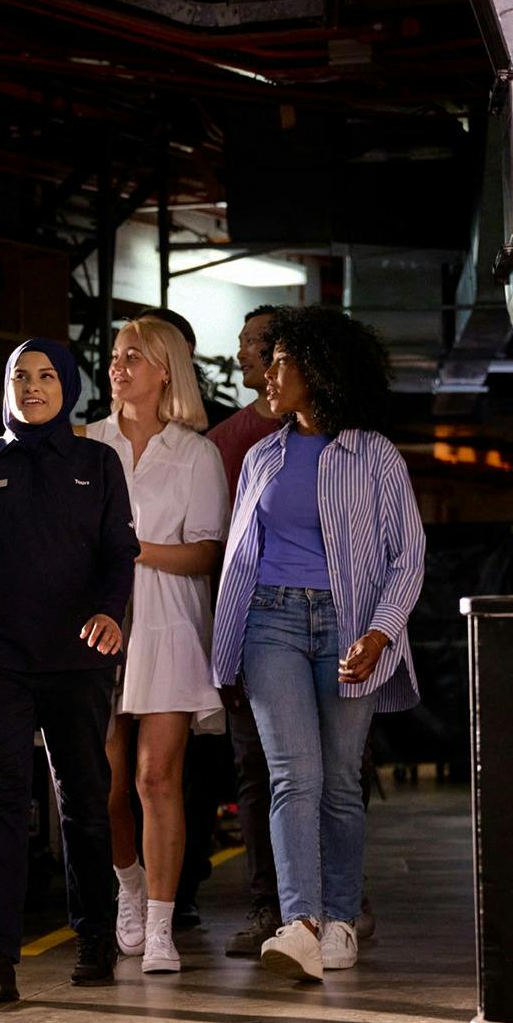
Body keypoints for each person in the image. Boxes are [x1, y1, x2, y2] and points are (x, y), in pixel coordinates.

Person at [211, 305, 425, 983]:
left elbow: (407, 556)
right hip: (267, 623)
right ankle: (299, 924)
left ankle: (338, 920)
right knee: (289, 776)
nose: (266, 374)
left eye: (280, 361)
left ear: (318, 369)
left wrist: (379, 630)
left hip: (349, 625)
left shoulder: (374, 455)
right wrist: (225, 645)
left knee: (337, 783)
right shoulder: (260, 457)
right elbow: (239, 559)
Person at [0, 338, 140, 1003]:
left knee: (83, 800)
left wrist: (110, 612)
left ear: (68, 386)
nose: (33, 386)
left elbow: (118, 555)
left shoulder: (97, 463)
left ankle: (96, 940)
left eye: (46, 375)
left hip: (78, 658)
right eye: (20, 376)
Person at [86, 316, 229, 974]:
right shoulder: (87, 444)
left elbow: (204, 552)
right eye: (115, 356)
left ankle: (163, 925)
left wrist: (131, 548)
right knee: (110, 785)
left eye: (134, 355)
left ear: (165, 368)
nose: (119, 366)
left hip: (169, 624)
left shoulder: (195, 453)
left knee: (155, 778)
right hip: (98, 627)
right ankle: (129, 889)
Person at [205, 306, 287, 956]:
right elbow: (219, 553)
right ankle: (269, 907)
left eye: (250, 344)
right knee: (255, 771)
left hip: (323, 629)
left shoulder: (341, 436)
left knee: (330, 773)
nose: (241, 357)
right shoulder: (228, 440)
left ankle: (335, 903)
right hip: (253, 624)